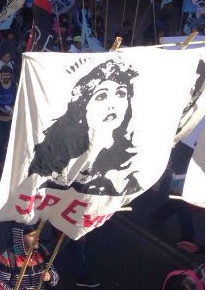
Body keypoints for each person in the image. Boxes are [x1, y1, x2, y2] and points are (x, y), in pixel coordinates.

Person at [26, 59, 141, 196]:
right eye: (101, 96)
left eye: (121, 94)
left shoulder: (127, 168)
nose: (112, 104)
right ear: (83, 107)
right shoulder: (57, 152)